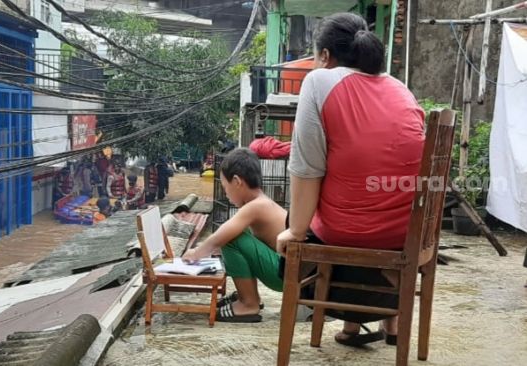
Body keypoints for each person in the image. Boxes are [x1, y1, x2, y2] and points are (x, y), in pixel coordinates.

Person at [276, 13, 425, 347]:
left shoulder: (318, 81)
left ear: (325, 56)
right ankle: (388, 323)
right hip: (407, 235)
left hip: (351, 233)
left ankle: (353, 322)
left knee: (302, 228)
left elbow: (307, 167)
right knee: (354, 193)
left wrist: (295, 230)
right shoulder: (400, 88)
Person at [182, 148, 287, 322]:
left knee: (230, 238)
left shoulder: (256, 206)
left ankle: (248, 303)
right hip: (287, 270)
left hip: (285, 275)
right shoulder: (261, 203)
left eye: (225, 187)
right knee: (237, 233)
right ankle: (250, 297)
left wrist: (196, 253)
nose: (225, 193)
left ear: (237, 181)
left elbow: (221, 236)